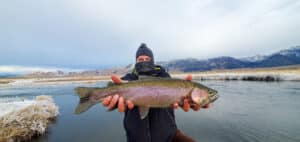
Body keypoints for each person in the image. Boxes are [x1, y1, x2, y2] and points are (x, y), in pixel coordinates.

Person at [102, 43, 211, 142]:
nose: (144, 61)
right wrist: (114, 102)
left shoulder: (165, 77)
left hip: (170, 136)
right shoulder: (127, 79)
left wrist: (194, 102)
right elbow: (116, 99)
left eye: (147, 58)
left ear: (152, 61)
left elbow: (184, 103)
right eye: (140, 59)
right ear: (136, 61)